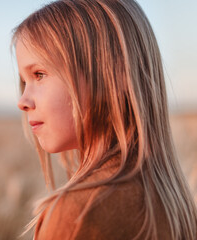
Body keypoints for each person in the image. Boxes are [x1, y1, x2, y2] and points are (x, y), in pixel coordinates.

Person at [11, 0, 197, 239]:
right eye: (24, 82)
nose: (22, 100)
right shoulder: (172, 203)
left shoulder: (77, 214)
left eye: (40, 74)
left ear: (117, 73)